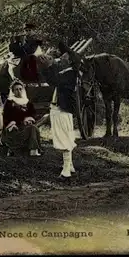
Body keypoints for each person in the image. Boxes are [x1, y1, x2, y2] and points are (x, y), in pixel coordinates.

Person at [38, 50, 81, 180]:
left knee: (64, 139)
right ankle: (71, 167)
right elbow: (53, 79)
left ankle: (66, 170)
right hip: (59, 108)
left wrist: (48, 66)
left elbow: (54, 80)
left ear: (70, 61)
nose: (61, 57)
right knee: (65, 137)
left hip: (62, 109)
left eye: (64, 56)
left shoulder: (71, 73)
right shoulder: (66, 72)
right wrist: (48, 67)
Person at [2, 80, 42, 157]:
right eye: (16, 89)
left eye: (20, 89)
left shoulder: (27, 102)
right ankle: (33, 149)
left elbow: (33, 114)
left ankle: (33, 149)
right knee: (32, 128)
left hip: (26, 125)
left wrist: (29, 119)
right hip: (14, 126)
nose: (19, 91)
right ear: (13, 91)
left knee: (33, 128)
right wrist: (13, 123)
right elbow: (6, 116)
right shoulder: (9, 102)